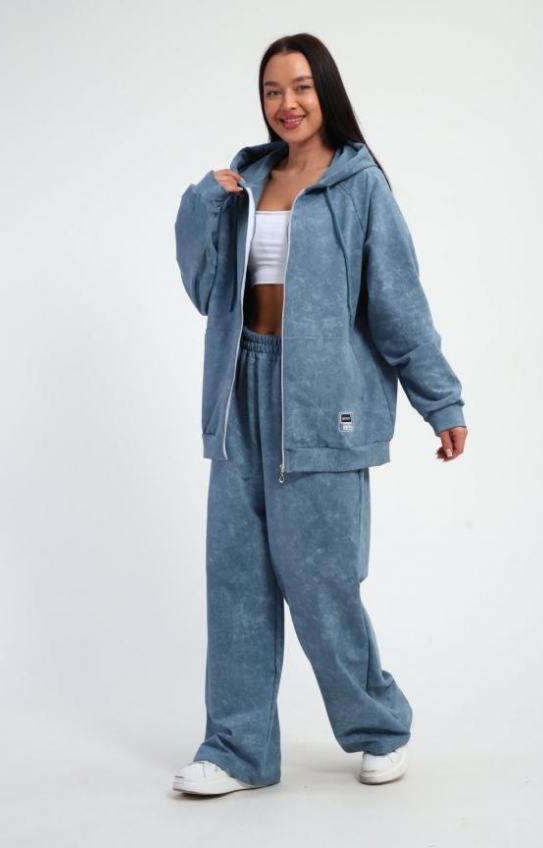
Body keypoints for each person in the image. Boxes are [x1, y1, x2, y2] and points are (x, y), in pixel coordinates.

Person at [171, 32, 468, 796]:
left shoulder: (358, 186)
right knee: (236, 581)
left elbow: (398, 304)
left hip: (323, 405)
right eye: (273, 90)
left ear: (324, 90)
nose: (287, 103)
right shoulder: (245, 181)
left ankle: (380, 727)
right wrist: (202, 203)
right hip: (240, 397)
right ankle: (237, 750)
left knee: (322, 582)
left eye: (300, 87)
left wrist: (440, 400)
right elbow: (203, 290)